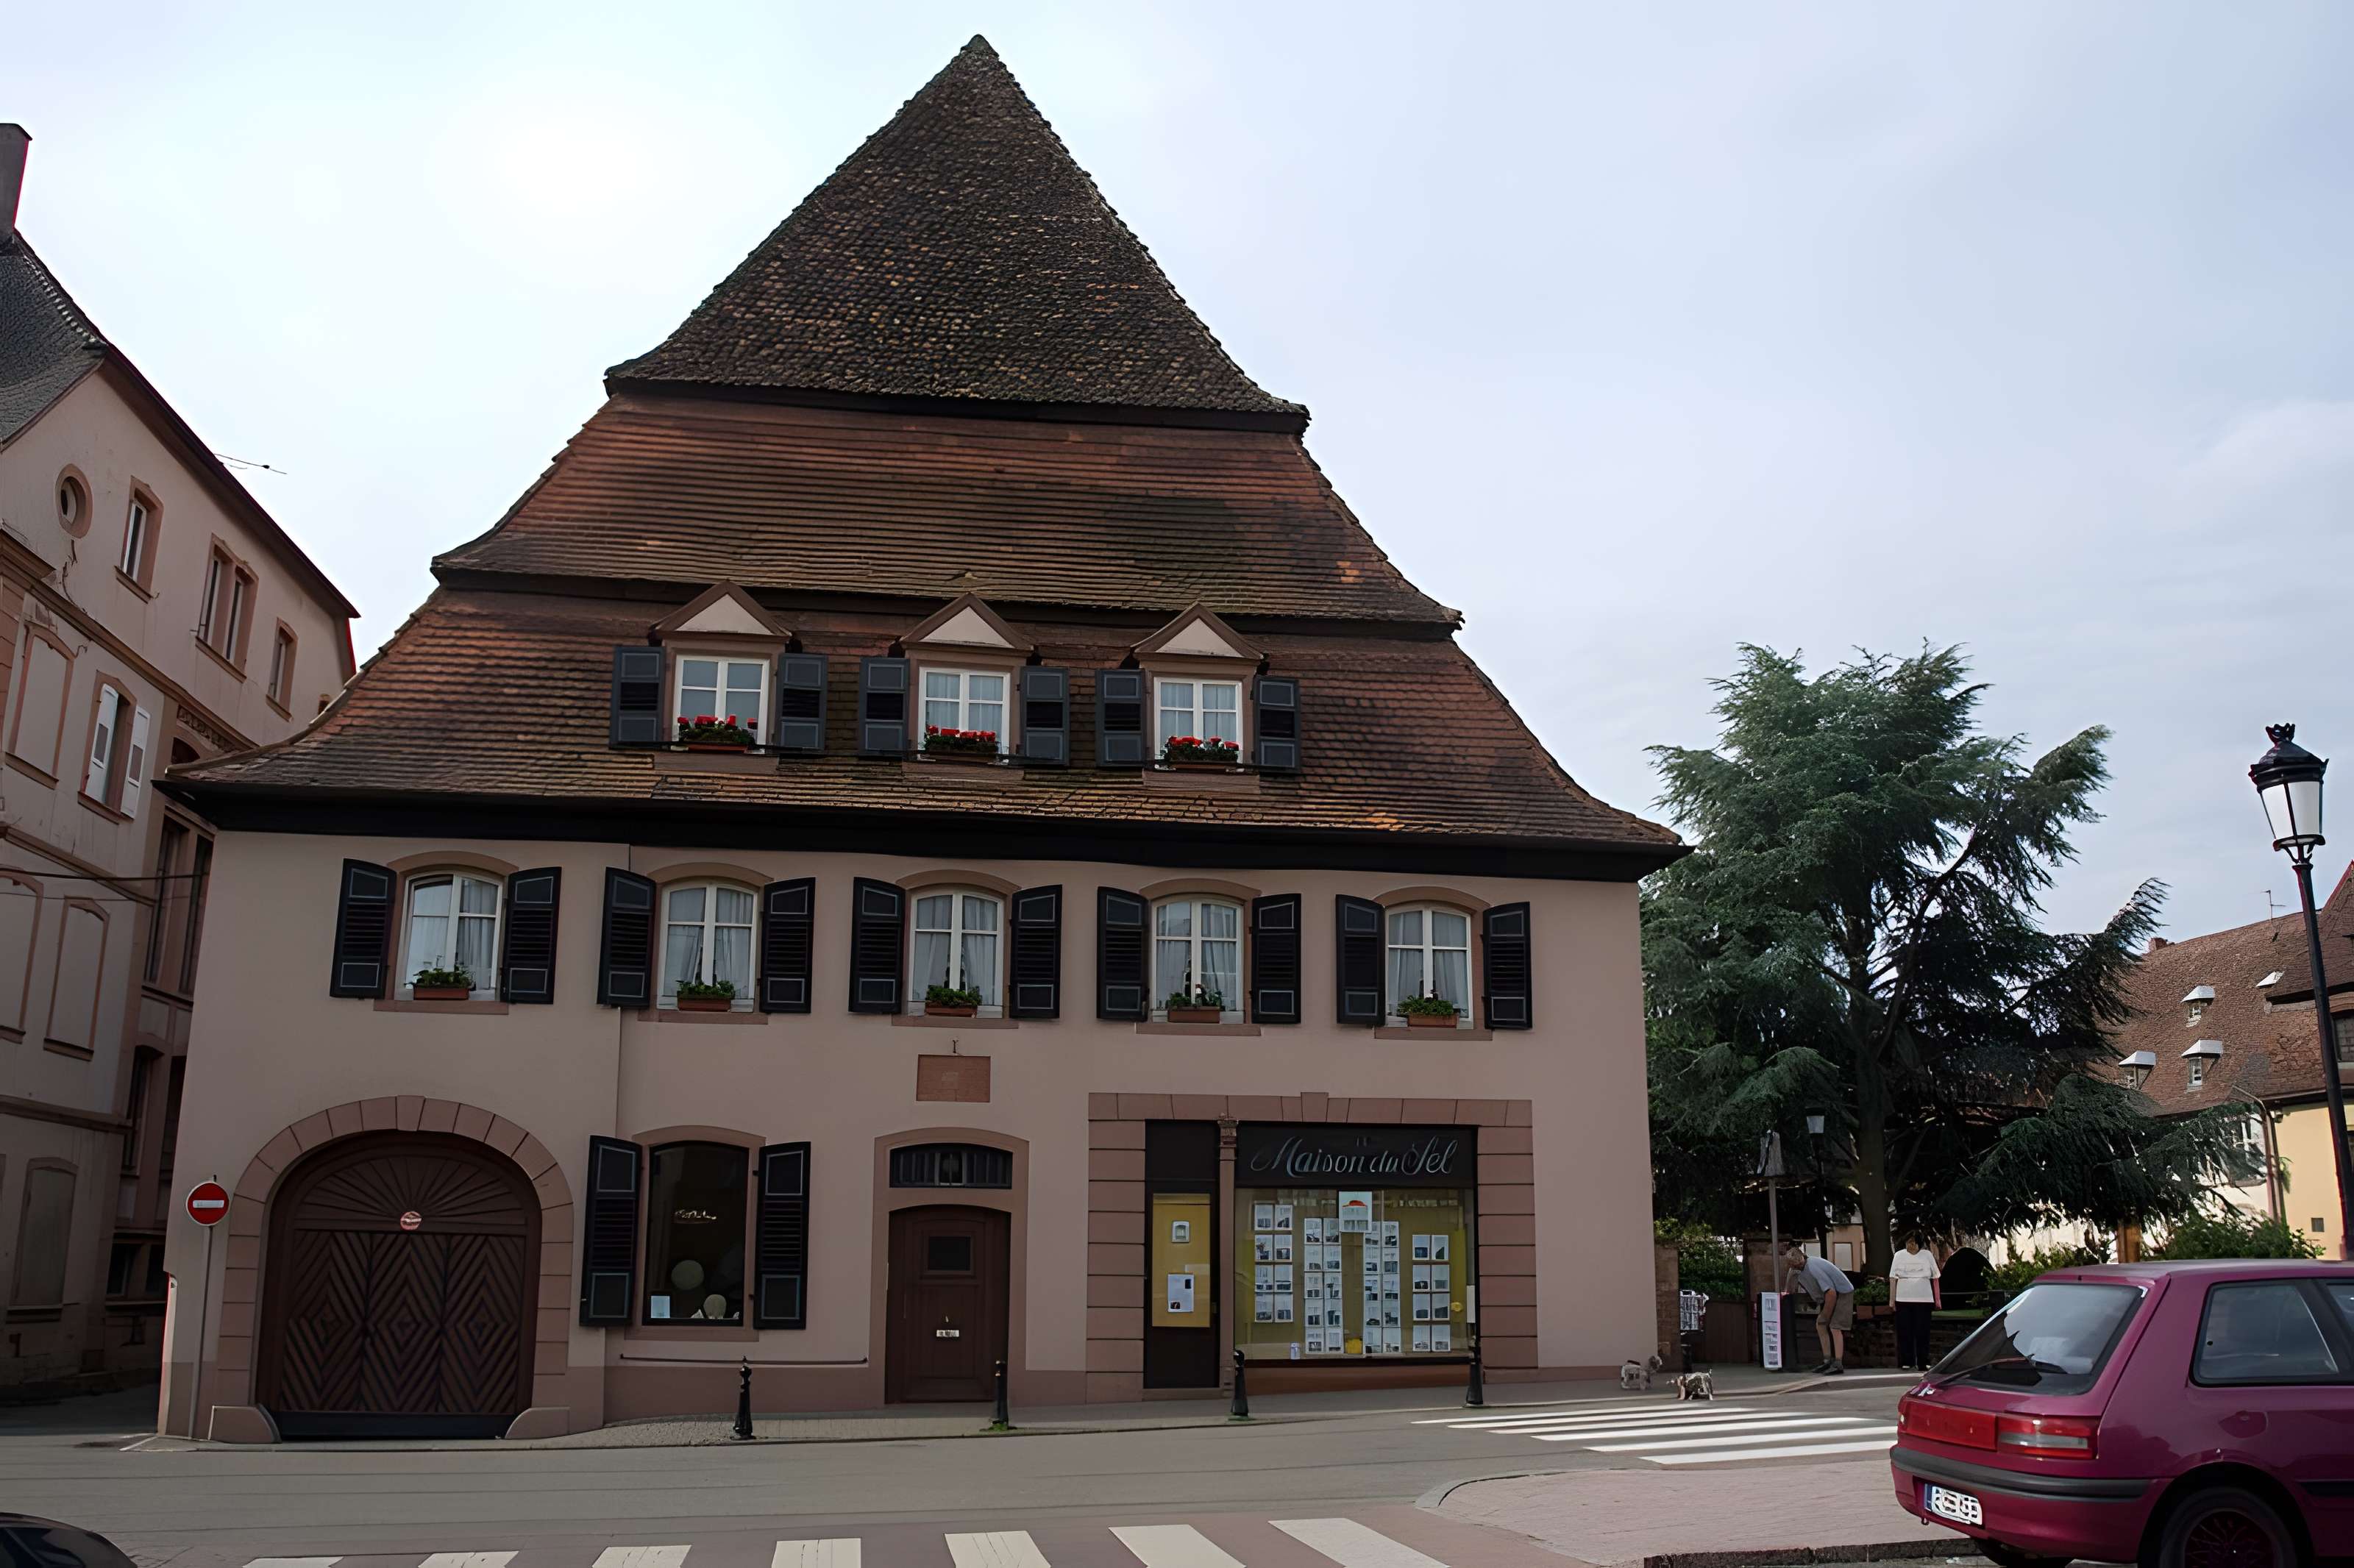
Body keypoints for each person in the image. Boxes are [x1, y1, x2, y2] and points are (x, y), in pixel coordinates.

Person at [1782, 1243, 1852, 1374]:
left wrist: (1825, 1315)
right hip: (1828, 1295)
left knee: (1835, 1327)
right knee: (1820, 1325)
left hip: (1842, 1292)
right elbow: (1790, 1288)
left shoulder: (1813, 1267)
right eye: (1794, 1266)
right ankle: (1827, 1361)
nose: (1797, 1268)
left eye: (1799, 1265)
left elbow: (1831, 1293)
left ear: (1803, 1257)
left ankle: (1838, 1364)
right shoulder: (1797, 1269)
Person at [1888, 1236, 1942, 1369]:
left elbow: (1935, 1276)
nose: (1911, 1246)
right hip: (1903, 1299)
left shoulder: (1927, 1255)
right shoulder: (1899, 1255)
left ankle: (1923, 1361)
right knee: (1905, 1330)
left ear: (1919, 1244)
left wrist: (1937, 1299)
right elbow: (1893, 1278)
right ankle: (1907, 1360)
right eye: (1908, 1243)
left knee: (1923, 1331)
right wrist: (1892, 1300)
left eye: (1913, 1243)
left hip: (1924, 1299)